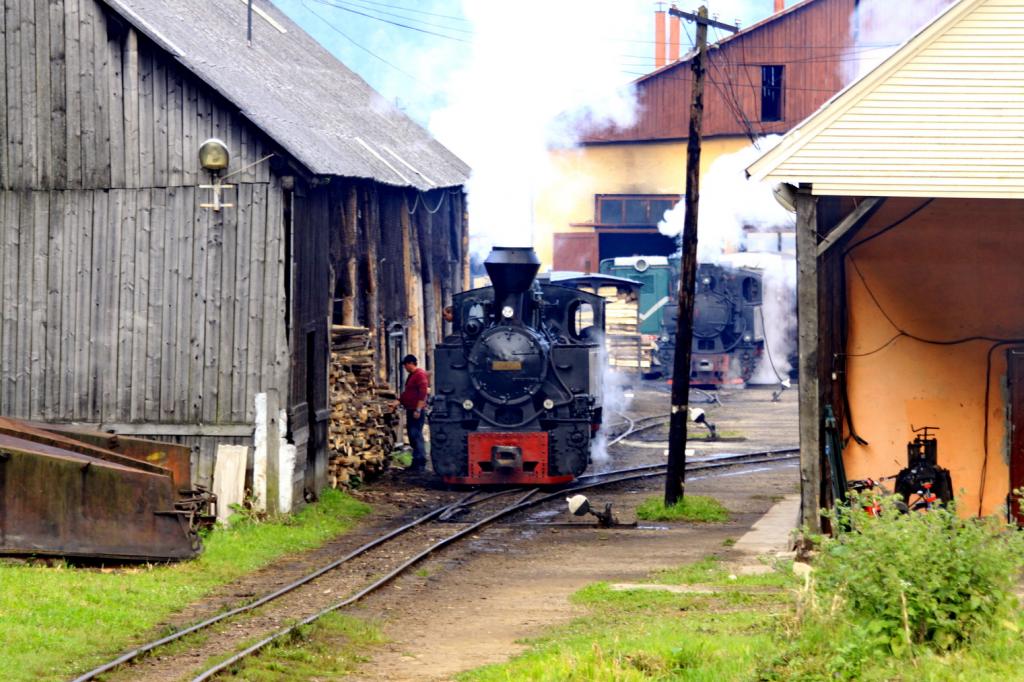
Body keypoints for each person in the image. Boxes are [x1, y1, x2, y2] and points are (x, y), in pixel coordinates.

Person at [398, 354, 430, 472]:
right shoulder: (412, 376)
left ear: (411, 363)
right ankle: (415, 462)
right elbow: (408, 393)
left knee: (416, 435)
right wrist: (399, 401)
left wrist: (418, 409)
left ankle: (421, 462)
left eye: (406, 365)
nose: (405, 368)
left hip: (416, 410)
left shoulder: (420, 375)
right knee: (412, 436)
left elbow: (423, 394)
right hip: (410, 409)